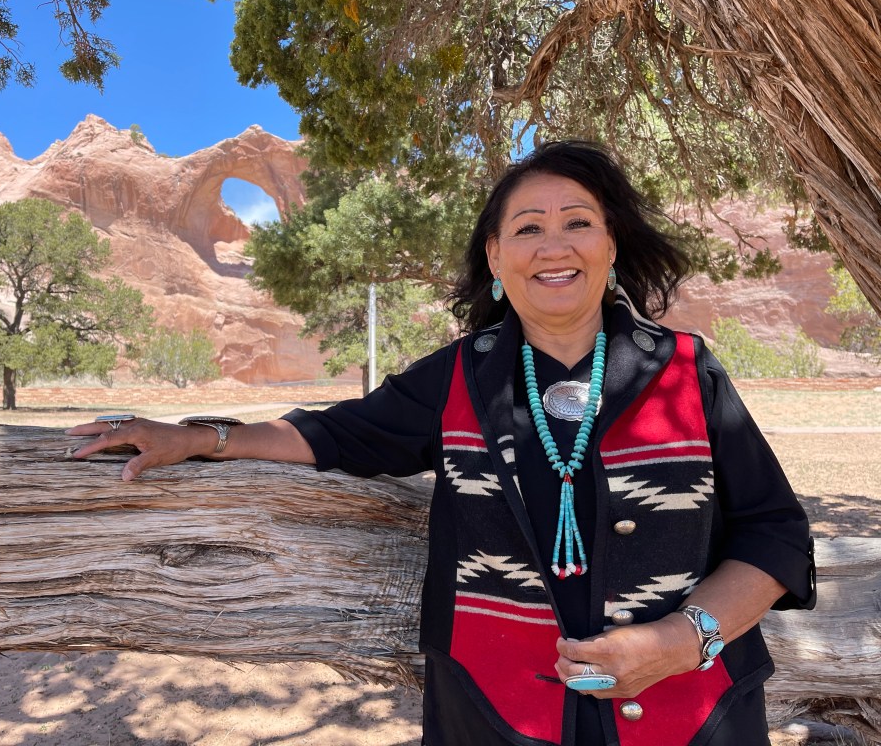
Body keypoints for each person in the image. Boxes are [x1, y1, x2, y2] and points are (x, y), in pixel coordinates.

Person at [69, 141, 816, 746]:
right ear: (495, 259)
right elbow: (332, 434)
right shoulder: (458, 375)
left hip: (695, 715)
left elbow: (776, 533)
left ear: (611, 243)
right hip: (495, 716)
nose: (552, 246)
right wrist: (201, 435)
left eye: (577, 222)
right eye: (526, 228)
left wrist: (687, 639)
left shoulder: (687, 371)